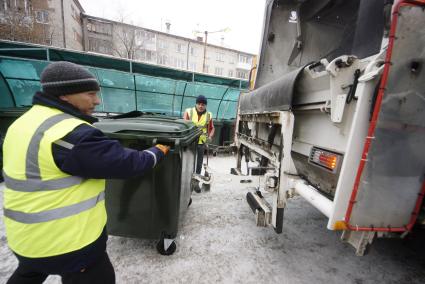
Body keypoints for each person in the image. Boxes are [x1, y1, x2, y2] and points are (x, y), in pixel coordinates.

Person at [2, 61, 170, 284]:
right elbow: (129, 164)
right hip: (68, 243)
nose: (97, 100)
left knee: (30, 272)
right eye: (90, 93)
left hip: (26, 239)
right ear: (64, 95)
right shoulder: (71, 134)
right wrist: (157, 151)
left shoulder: (22, 123)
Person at [183, 95, 215, 175]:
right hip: (190, 141)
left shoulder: (208, 115)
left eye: (203, 104)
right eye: (199, 104)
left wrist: (210, 136)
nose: (201, 106)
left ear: (205, 106)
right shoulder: (189, 112)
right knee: (188, 160)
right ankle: (187, 176)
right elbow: (183, 126)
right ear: (196, 104)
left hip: (201, 142)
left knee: (199, 163)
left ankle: (197, 179)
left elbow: (212, 128)